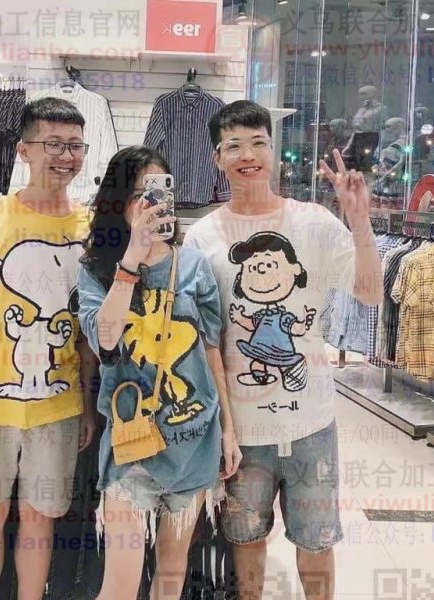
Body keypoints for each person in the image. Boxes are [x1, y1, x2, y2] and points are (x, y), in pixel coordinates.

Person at [183, 100, 383, 600]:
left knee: (317, 541)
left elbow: (370, 293)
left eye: (258, 143)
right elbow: (204, 340)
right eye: (234, 146)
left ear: (272, 150)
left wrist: (360, 222)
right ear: (217, 157)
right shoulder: (202, 238)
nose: (247, 155)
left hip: (311, 423)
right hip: (242, 431)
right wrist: (221, 427)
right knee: (245, 540)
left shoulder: (314, 222)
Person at [0, 97, 97, 600]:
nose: (66, 156)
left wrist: (87, 404)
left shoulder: (92, 228)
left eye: (75, 146)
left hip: (59, 405)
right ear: (24, 150)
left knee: (39, 517)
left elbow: (88, 331)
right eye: (54, 144)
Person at [77, 145, 242, 600]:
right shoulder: (97, 268)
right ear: (118, 202)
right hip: (131, 445)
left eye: (157, 193)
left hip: (194, 438)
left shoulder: (194, 265)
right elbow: (105, 339)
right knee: (120, 583)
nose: (148, 205)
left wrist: (229, 430)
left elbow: (211, 351)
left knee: (171, 572)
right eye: (137, 194)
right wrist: (131, 259)